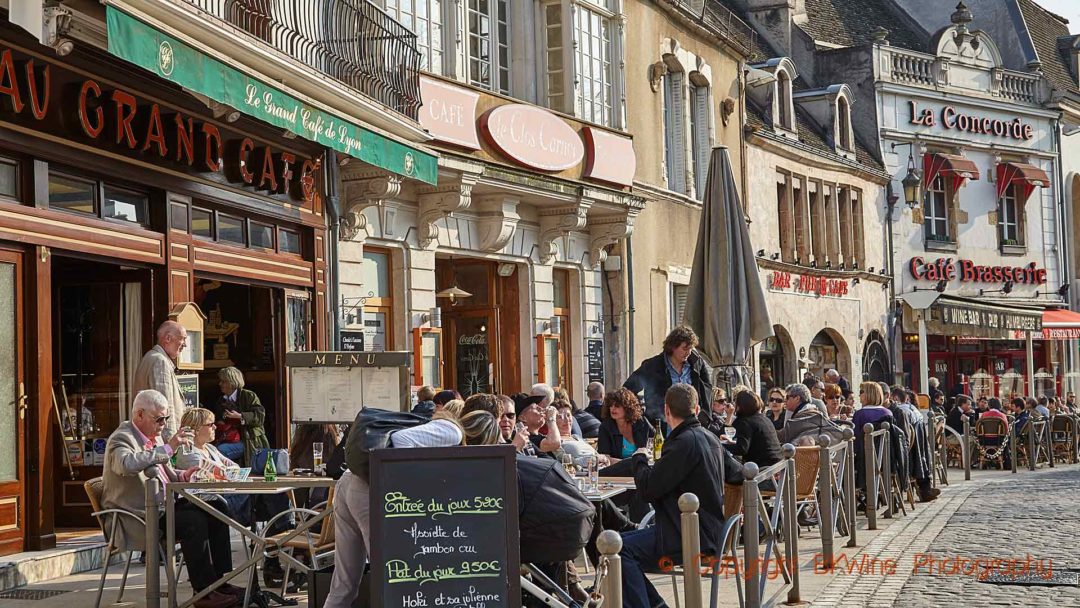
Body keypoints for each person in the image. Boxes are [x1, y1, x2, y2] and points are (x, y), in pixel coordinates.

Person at [103, 390, 242, 608]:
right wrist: (170, 447)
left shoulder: (154, 437)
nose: (162, 424)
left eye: (165, 419)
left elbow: (168, 474)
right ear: (139, 415)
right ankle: (203, 592)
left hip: (162, 507)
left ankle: (219, 581)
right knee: (193, 522)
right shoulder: (122, 437)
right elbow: (126, 465)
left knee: (215, 505)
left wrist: (184, 475)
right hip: (137, 517)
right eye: (158, 419)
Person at [325, 412, 465, 608]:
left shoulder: (427, 425)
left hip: (351, 479)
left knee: (344, 582)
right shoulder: (453, 432)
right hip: (369, 486)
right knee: (389, 575)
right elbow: (401, 441)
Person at [618, 384, 731, 608]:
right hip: (709, 530)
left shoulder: (683, 443)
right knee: (618, 541)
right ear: (697, 409)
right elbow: (737, 471)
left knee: (618, 552)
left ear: (666, 411)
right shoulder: (710, 438)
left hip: (691, 536)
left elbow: (649, 489)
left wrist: (639, 458)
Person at [623, 326, 714, 423]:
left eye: (691, 349)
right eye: (684, 348)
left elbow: (707, 391)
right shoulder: (653, 366)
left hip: (692, 423)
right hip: (663, 426)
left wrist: (705, 417)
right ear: (673, 347)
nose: (688, 352)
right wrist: (641, 414)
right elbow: (628, 390)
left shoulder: (697, 364)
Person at [132, 321, 188, 441]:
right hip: (158, 440)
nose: (185, 345)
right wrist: (170, 443)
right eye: (183, 339)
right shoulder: (159, 361)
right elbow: (164, 407)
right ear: (168, 338)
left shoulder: (152, 357)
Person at [213, 367, 269, 466]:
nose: (220, 384)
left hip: (249, 440)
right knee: (212, 450)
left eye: (223, 381)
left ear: (231, 382)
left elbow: (260, 417)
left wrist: (240, 416)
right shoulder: (221, 400)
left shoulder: (249, 396)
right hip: (228, 438)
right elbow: (218, 418)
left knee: (221, 451)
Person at [596, 387, 655, 462]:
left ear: (627, 407)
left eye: (617, 406)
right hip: (617, 470)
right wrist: (629, 464)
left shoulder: (641, 422)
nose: (612, 409)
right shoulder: (606, 427)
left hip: (643, 468)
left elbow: (658, 443)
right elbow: (605, 458)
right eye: (610, 405)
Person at [724, 391, 782, 467]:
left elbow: (741, 449)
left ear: (740, 405)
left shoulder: (744, 422)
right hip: (778, 466)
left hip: (761, 470)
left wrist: (723, 444)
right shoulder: (765, 419)